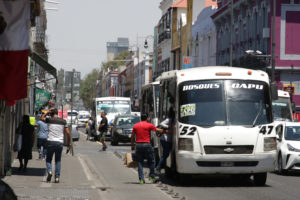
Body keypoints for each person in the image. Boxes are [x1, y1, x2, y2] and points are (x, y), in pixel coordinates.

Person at [131, 113, 163, 184]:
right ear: (147, 118)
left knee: (140, 162)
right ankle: (151, 176)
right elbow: (157, 130)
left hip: (138, 145)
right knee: (152, 161)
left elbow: (132, 136)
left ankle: (141, 179)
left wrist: (132, 145)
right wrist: (165, 131)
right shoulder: (149, 125)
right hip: (147, 145)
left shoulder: (136, 125)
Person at [41, 108, 71, 183]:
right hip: (59, 143)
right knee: (58, 160)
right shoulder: (63, 121)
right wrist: (68, 142)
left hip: (50, 142)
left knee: (48, 159)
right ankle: (57, 178)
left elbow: (42, 118)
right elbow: (67, 133)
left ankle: (50, 171)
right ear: (58, 113)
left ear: (51, 113)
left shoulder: (49, 120)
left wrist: (47, 112)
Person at [156, 107, 175, 173]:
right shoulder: (169, 119)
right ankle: (158, 167)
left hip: (168, 140)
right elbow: (161, 124)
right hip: (164, 139)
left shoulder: (174, 120)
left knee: (166, 154)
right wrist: (168, 127)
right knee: (165, 154)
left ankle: (160, 166)